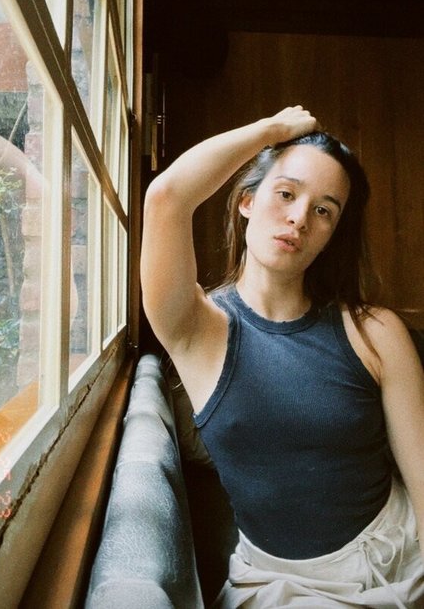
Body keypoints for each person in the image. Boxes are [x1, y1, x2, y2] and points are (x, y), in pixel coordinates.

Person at [140, 105, 424, 608]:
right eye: (286, 194)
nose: (299, 218)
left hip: (401, 557)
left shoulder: (376, 331)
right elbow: (167, 196)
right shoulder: (197, 328)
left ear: (332, 234)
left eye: (324, 211)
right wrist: (272, 131)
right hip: (280, 587)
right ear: (247, 201)